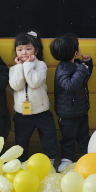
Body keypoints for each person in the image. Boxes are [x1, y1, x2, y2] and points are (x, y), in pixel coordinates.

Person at [9, 30, 58, 162]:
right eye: (20, 49)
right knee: (21, 139)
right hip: (22, 113)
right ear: (16, 51)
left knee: (48, 136)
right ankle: (21, 160)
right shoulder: (14, 69)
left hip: (41, 111)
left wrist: (28, 65)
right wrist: (20, 67)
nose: (24, 52)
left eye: (28, 49)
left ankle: (51, 159)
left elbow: (34, 83)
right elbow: (16, 86)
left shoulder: (41, 65)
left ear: (35, 51)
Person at [50, 33, 93, 172]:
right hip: (67, 113)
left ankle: (87, 157)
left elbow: (84, 78)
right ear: (75, 52)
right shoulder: (62, 69)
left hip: (81, 110)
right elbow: (70, 85)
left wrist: (87, 63)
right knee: (68, 138)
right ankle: (66, 160)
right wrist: (82, 68)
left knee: (83, 137)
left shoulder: (76, 64)